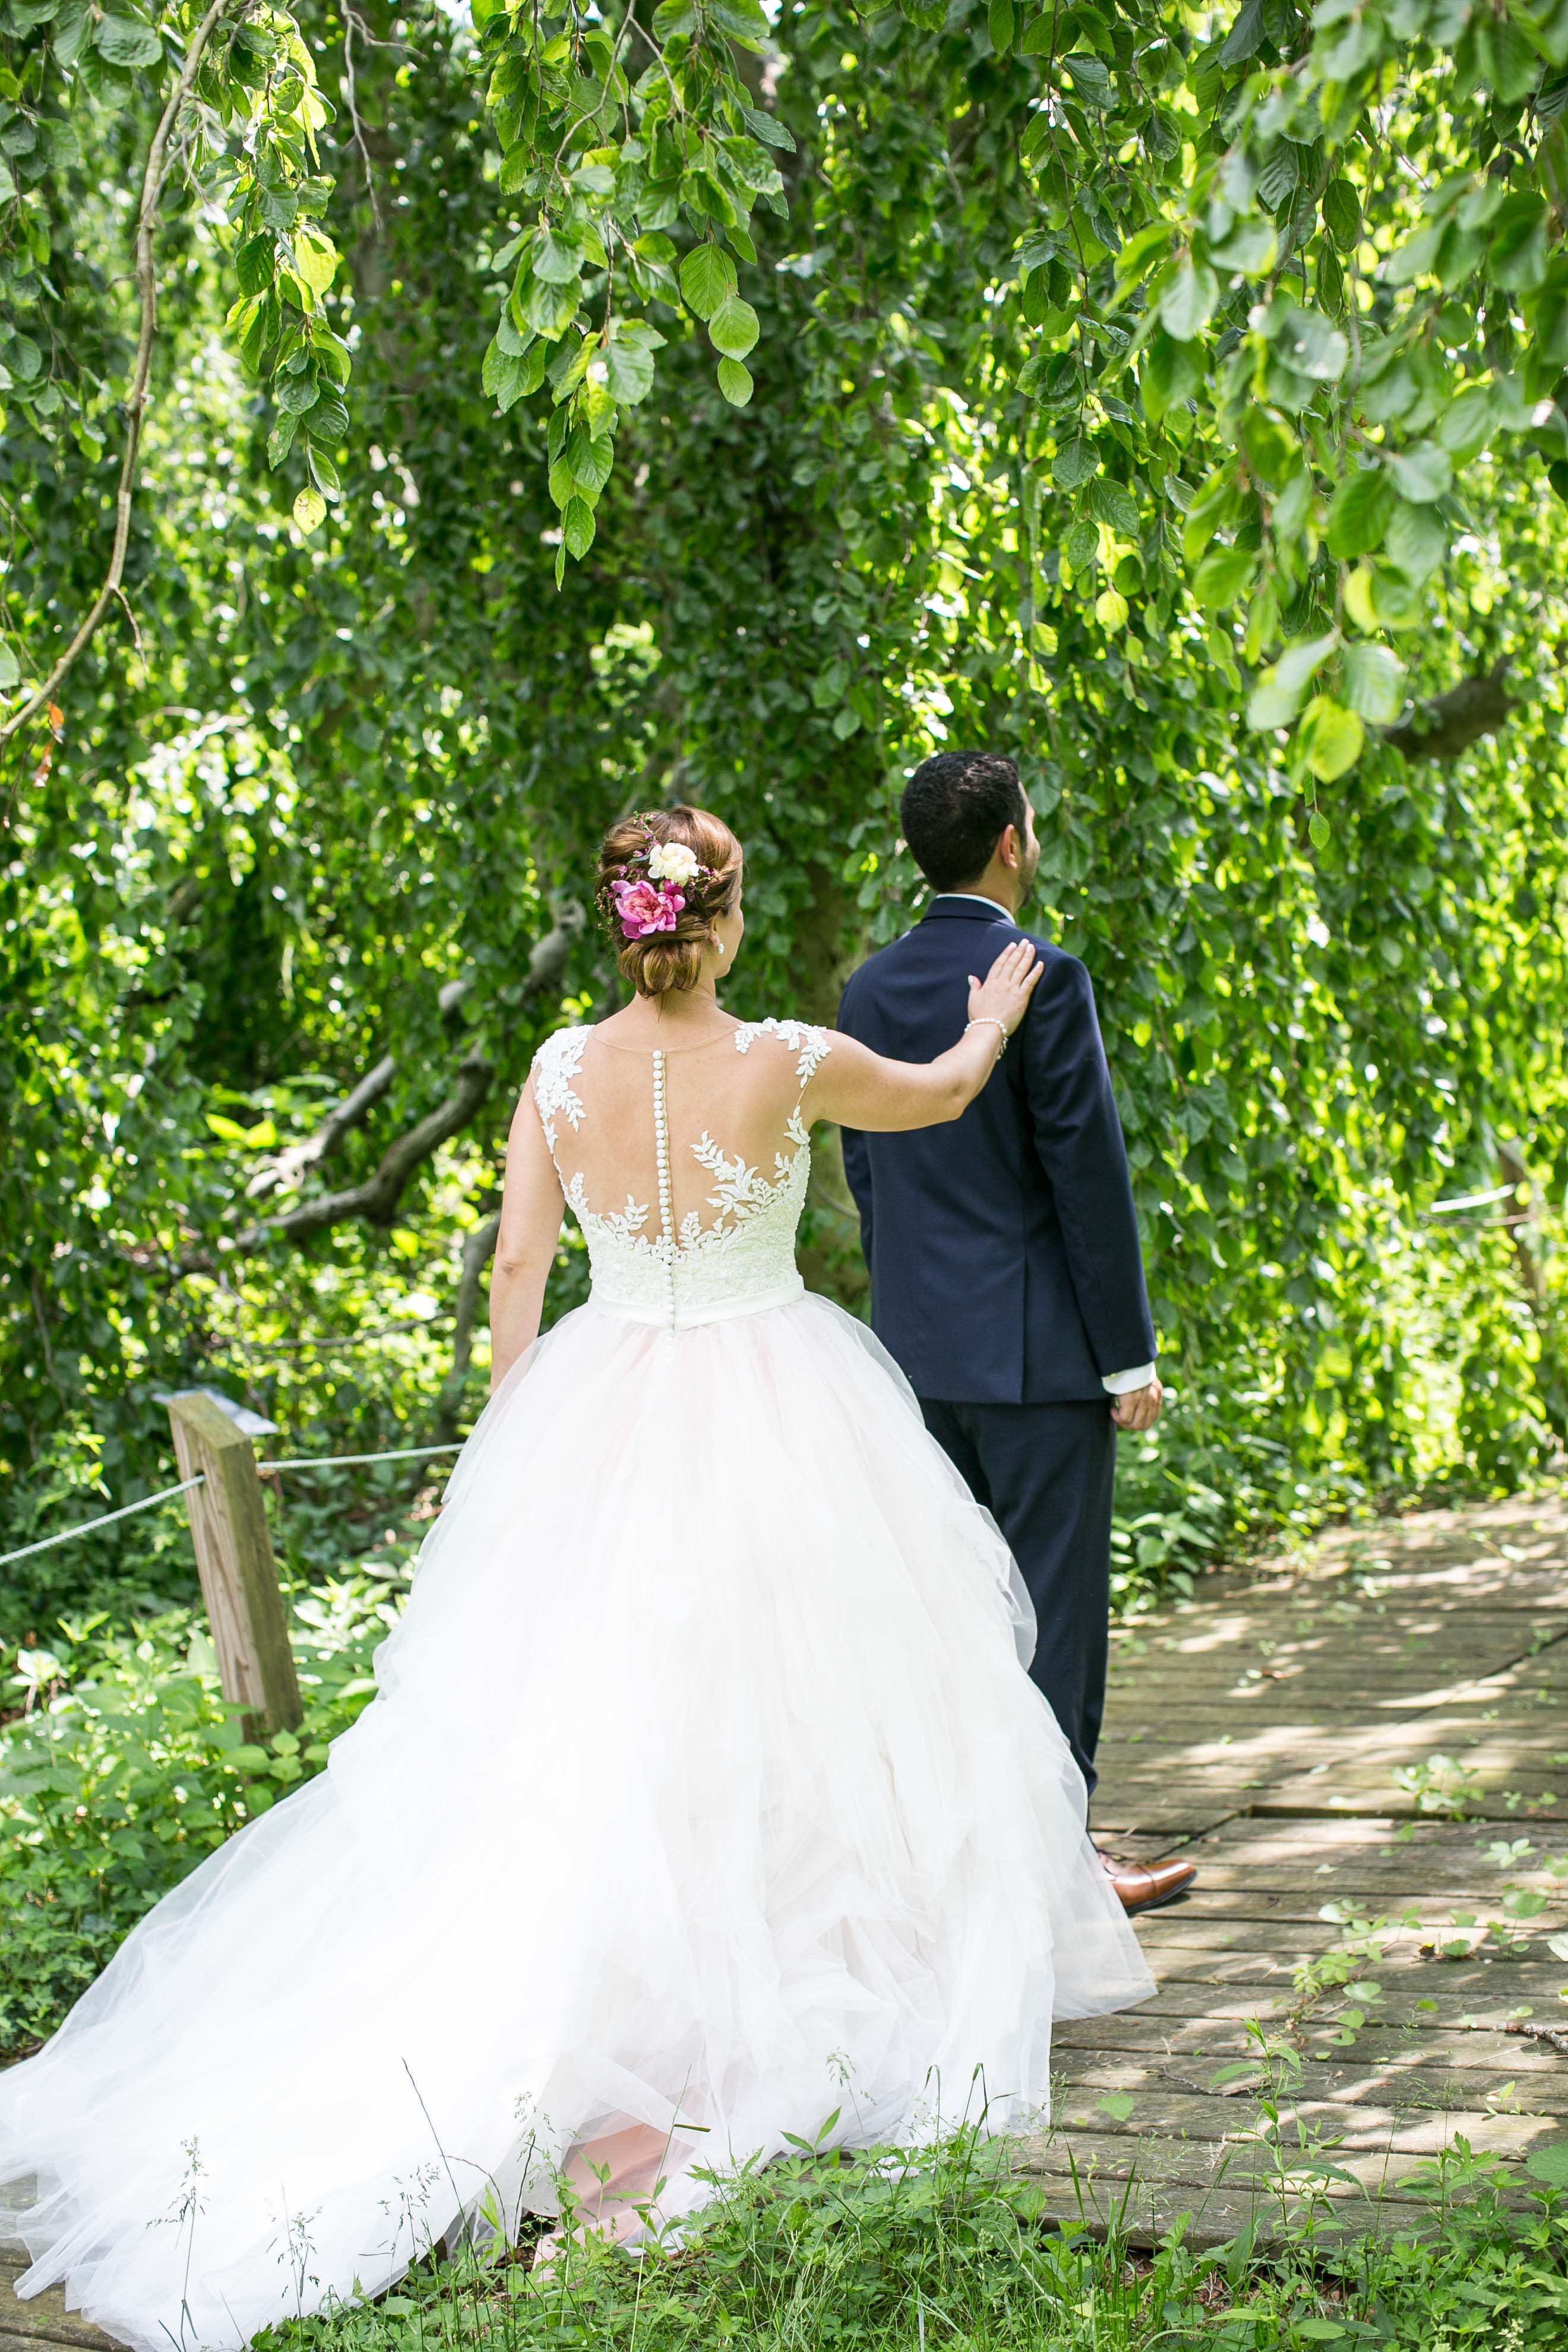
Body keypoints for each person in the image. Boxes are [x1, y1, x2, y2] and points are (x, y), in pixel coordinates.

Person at [0, 806, 1153, 2352]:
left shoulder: (556, 1073)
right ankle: (758, 1987)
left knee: (591, 1724)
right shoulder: (786, 1060)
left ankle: (615, 2016)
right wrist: (996, 1013)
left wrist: (520, 1441)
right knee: (804, 1699)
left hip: (605, 1398)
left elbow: (519, 1271)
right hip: (777, 1404)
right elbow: (943, 1095)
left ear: (627, 926)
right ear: (720, 923)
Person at [837, 752, 1196, 1918]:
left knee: (953, 1619)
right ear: (1010, 842)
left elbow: (868, 1175)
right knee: (1055, 1617)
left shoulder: (867, 991)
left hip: (916, 1360)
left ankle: (964, 1867)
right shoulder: (1044, 974)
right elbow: (1086, 1177)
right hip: (1039, 1364)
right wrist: (1127, 1354)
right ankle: (1060, 1877)